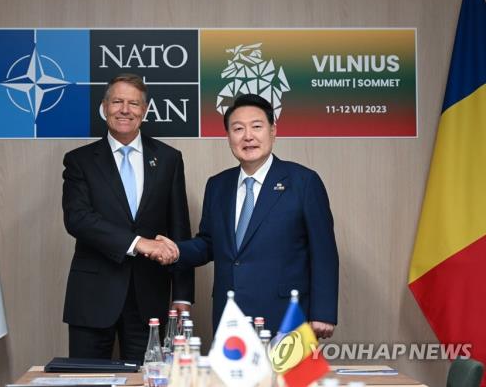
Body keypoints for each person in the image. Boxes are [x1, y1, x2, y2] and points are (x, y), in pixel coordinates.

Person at [154, 94, 338, 337]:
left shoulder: (303, 182)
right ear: (229, 136)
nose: (248, 136)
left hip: (286, 315)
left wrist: (322, 312)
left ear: (273, 131)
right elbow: (209, 243)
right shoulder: (218, 185)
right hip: (230, 315)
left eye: (257, 127)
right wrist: (177, 251)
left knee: (282, 376)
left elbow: (323, 251)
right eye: (238, 128)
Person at [62, 73, 194, 361]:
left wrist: (182, 295)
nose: (125, 110)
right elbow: (77, 218)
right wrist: (138, 243)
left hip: (150, 298)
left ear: (144, 111)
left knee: (148, 377)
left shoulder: (169, 159)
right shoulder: (79, 161)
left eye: (133, 103)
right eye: (117, 102)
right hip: (92, 297)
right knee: (84, 380)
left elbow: (179, 229)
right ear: (104, 107)